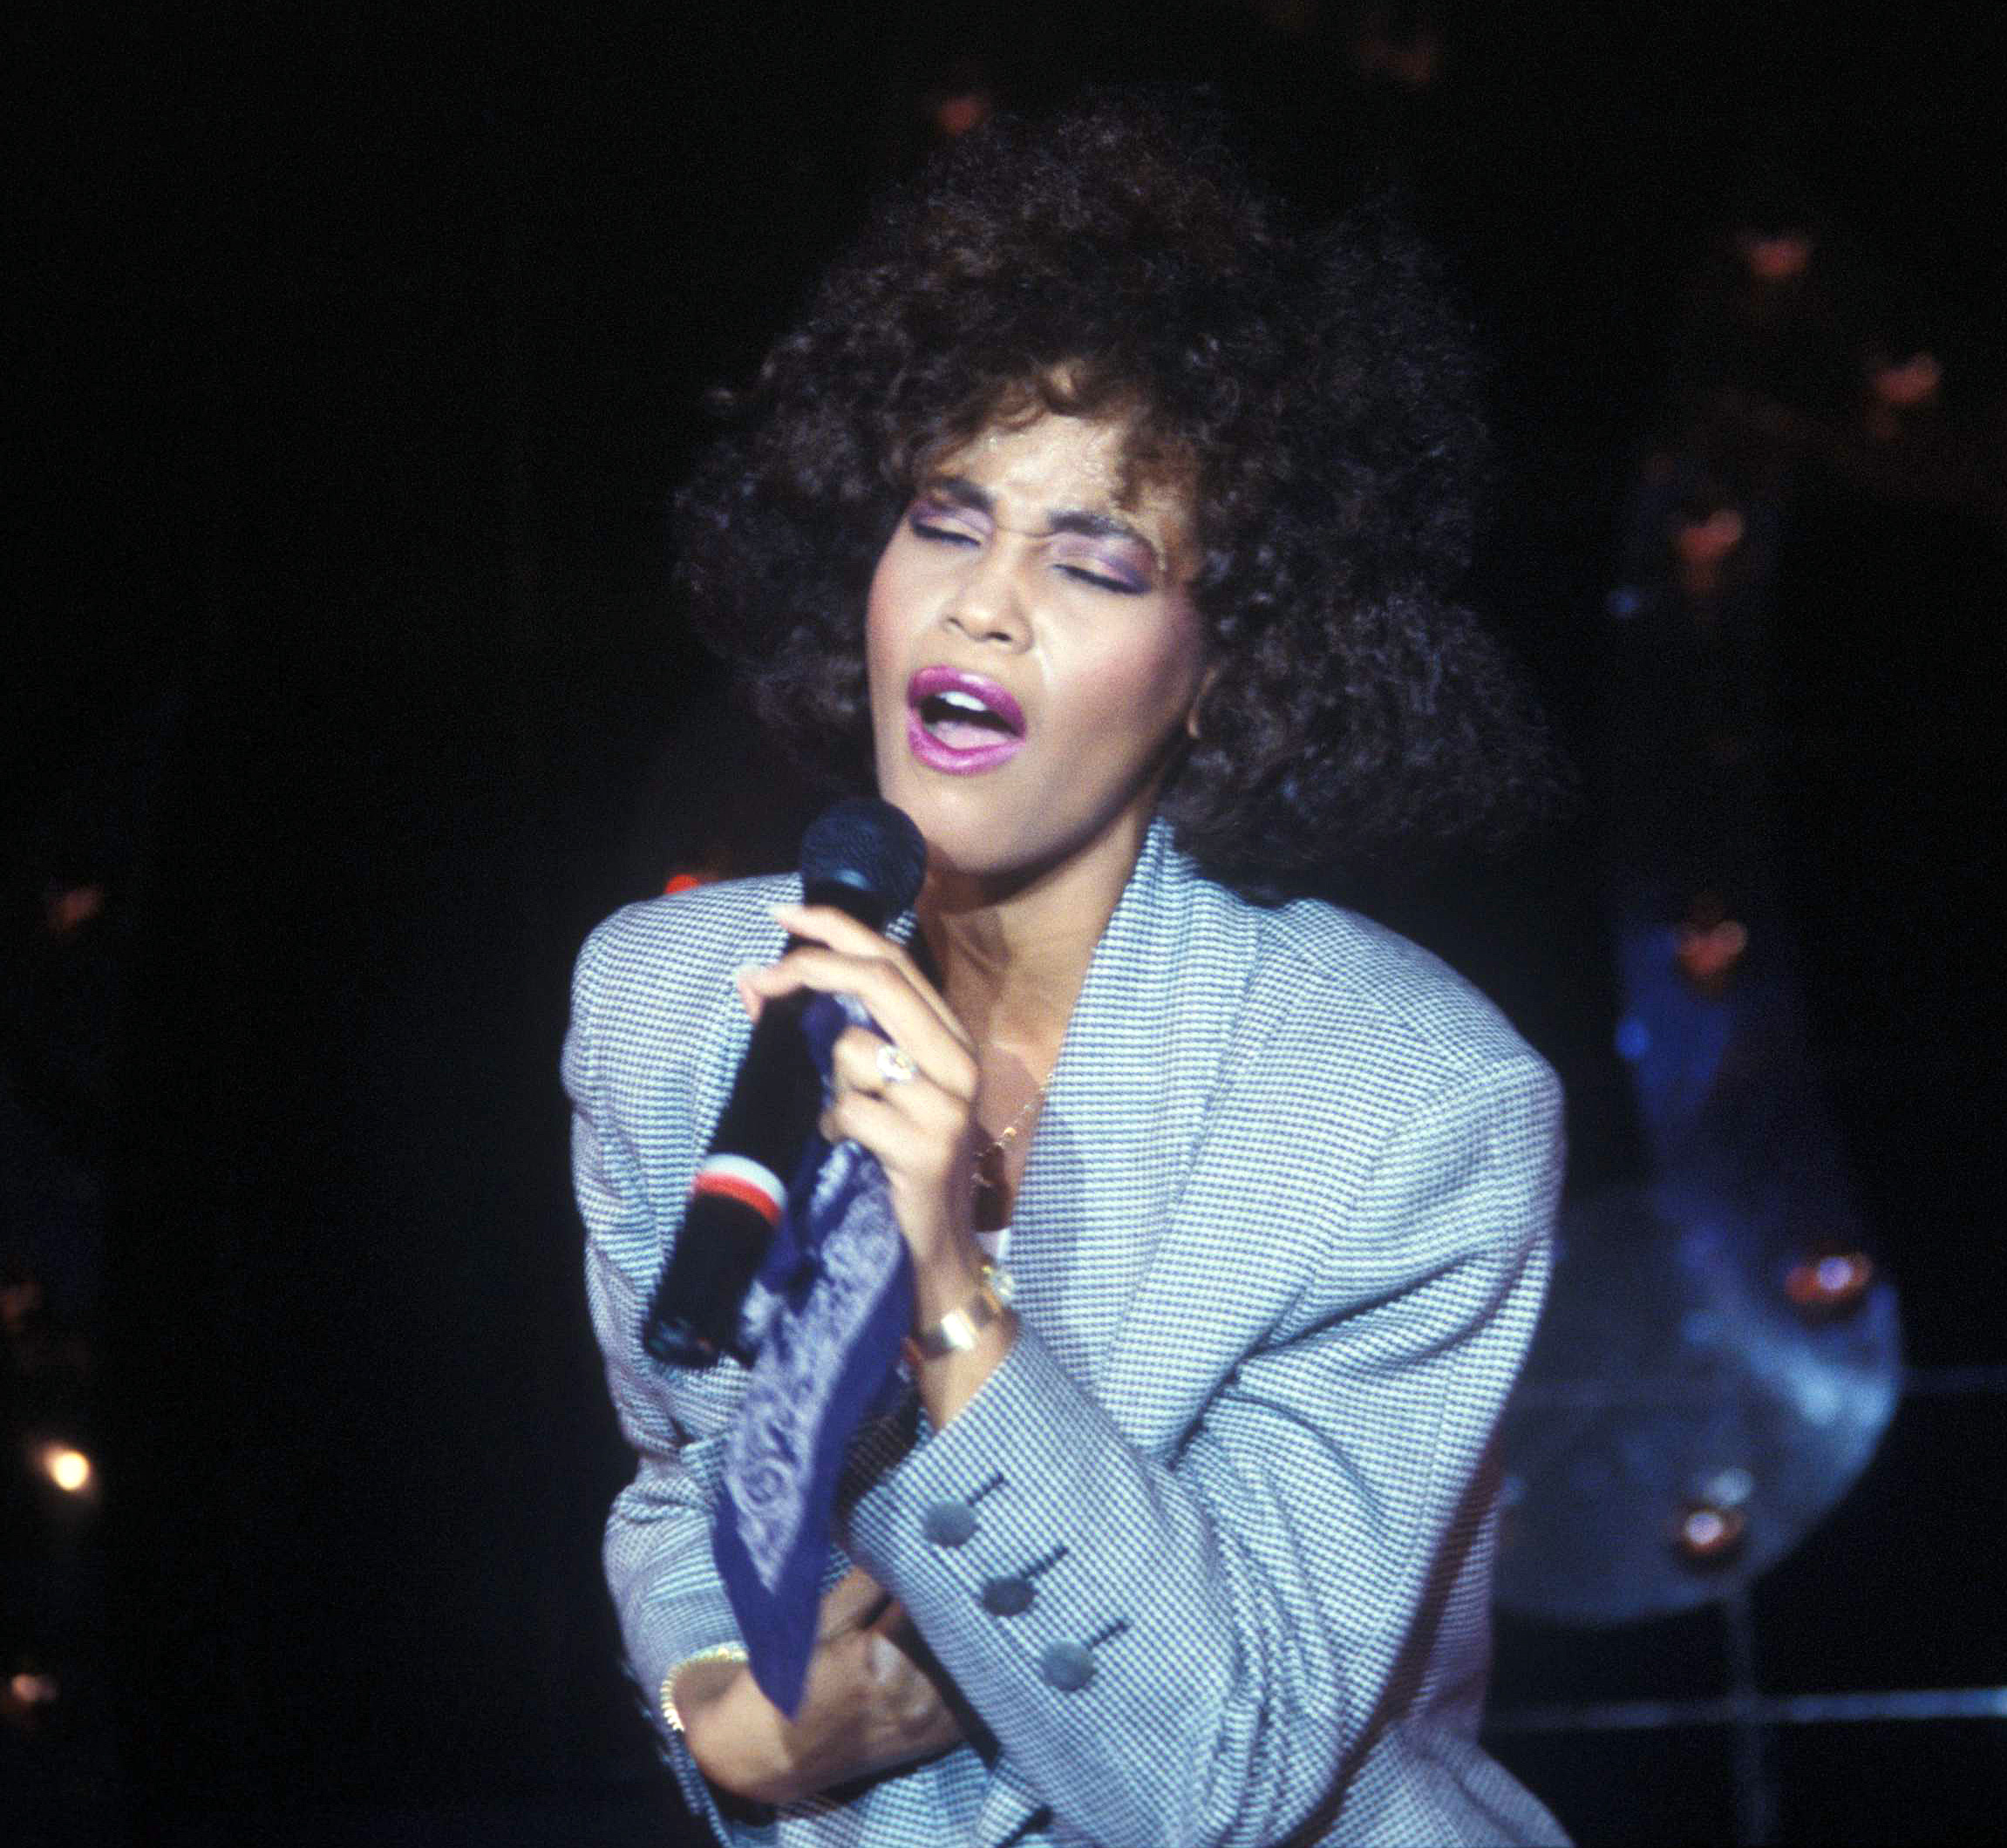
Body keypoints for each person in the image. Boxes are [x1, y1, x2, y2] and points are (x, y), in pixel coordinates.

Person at [565, 92, 1570, 1848]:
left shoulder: (1413, 1110)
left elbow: (1225, 1774)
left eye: (1095, 559)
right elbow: (684, 1494)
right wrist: (717, 1718)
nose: (984, 606)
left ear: (1224, 660)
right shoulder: (661, 1010)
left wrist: (950, 1284)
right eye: (945, 523)